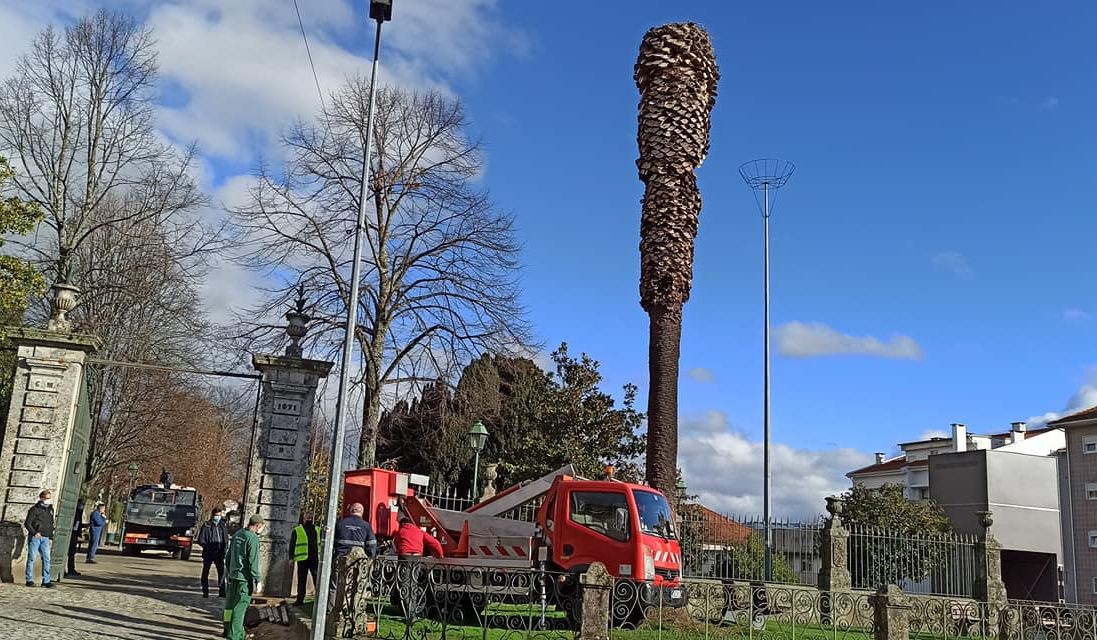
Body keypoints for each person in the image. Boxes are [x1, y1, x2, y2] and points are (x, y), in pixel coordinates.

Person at [328, 503, 376, 610]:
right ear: (361, 512)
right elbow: (372, 545)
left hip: (340, 559)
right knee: (354, 587)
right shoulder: (366, 526)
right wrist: (369, 559)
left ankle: (331, 611)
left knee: (335, 587)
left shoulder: (340, 524)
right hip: (357, 563)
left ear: (350, 511)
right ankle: (351, 611)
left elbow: (332, 543)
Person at [223, 514, 263, 640]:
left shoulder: (238, 534)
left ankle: (227, 629)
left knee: (229, 606)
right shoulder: (253, 539)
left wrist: (229, 572)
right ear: (258, 526)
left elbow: (228, 556)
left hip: (233, 576)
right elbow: (253, 562)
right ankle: (234, 636)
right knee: (240, 608)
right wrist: (258, 580)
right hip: (244, 579)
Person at [24, 489, 56, 588]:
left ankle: (46, 580)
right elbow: (27, 523)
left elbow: (51, 524)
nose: (48, 500)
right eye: (46, 498)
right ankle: (29, 579)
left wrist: (51, 537)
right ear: (41, 498)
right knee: (32, 558)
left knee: (47, 559)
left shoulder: (50, 509)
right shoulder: (34, 509)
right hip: (36, 537)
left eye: (49, 498)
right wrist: (34, 532)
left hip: (46, 537)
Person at [197, 508, 228, 598]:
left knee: (221, 573)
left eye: (219, 515)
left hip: (219, 553)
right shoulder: (207, 525)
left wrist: (224, 550)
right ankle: (205, 591)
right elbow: (201, 540)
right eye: (216, 515)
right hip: (208, 553)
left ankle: (222, 592)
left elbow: (225, 539)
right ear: (213, 515)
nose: (217, 517)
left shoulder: (222, 525)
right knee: (205, 572)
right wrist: (207, 547)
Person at [290, 512, 320, 607]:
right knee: (301, 580)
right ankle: (300, 600)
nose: (309, 519)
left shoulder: (318, 529)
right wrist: (291, 557)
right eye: (307, 518)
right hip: (302, 559)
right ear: (303, 519)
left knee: (317, 579)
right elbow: (292, 544)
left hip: (315, 558)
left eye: (311, 517)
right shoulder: (297, 530)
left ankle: (319, 599)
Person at [65, 500, 85, 578]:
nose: (82, 506)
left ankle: (71, 569)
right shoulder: (75, 512)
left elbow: (78, 523)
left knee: (72, 553)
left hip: (75, 534)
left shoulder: (79, 512)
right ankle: (67, 570)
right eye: (82, 504)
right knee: (69, 552)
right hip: (71, 534)